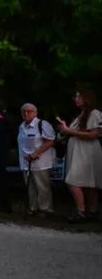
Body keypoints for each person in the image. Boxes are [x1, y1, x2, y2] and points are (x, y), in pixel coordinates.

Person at [56, 90, 102, 223]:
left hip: (87, 151)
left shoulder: (94, 113)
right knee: (88, 183)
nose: (76, 99)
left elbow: (94, 134)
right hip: (78, 151)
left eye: (79, 96)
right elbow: (73, 132)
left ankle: (81, 211)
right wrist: (64, 131)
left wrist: (69, 131)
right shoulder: (80, 115)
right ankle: (92, 212)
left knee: (73, 181)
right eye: (75, 96)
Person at [17, 103, 55, 216]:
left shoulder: (42, 124)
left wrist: (35, 154)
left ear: (35, 112)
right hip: (25, 162)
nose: (26, 113)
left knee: (42, 186)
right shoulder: (21, 126)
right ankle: (33, 208)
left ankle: (46, 209)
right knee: (30, 187)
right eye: (24, 111)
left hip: (40, 162)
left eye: (29, 111)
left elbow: (50, 141)